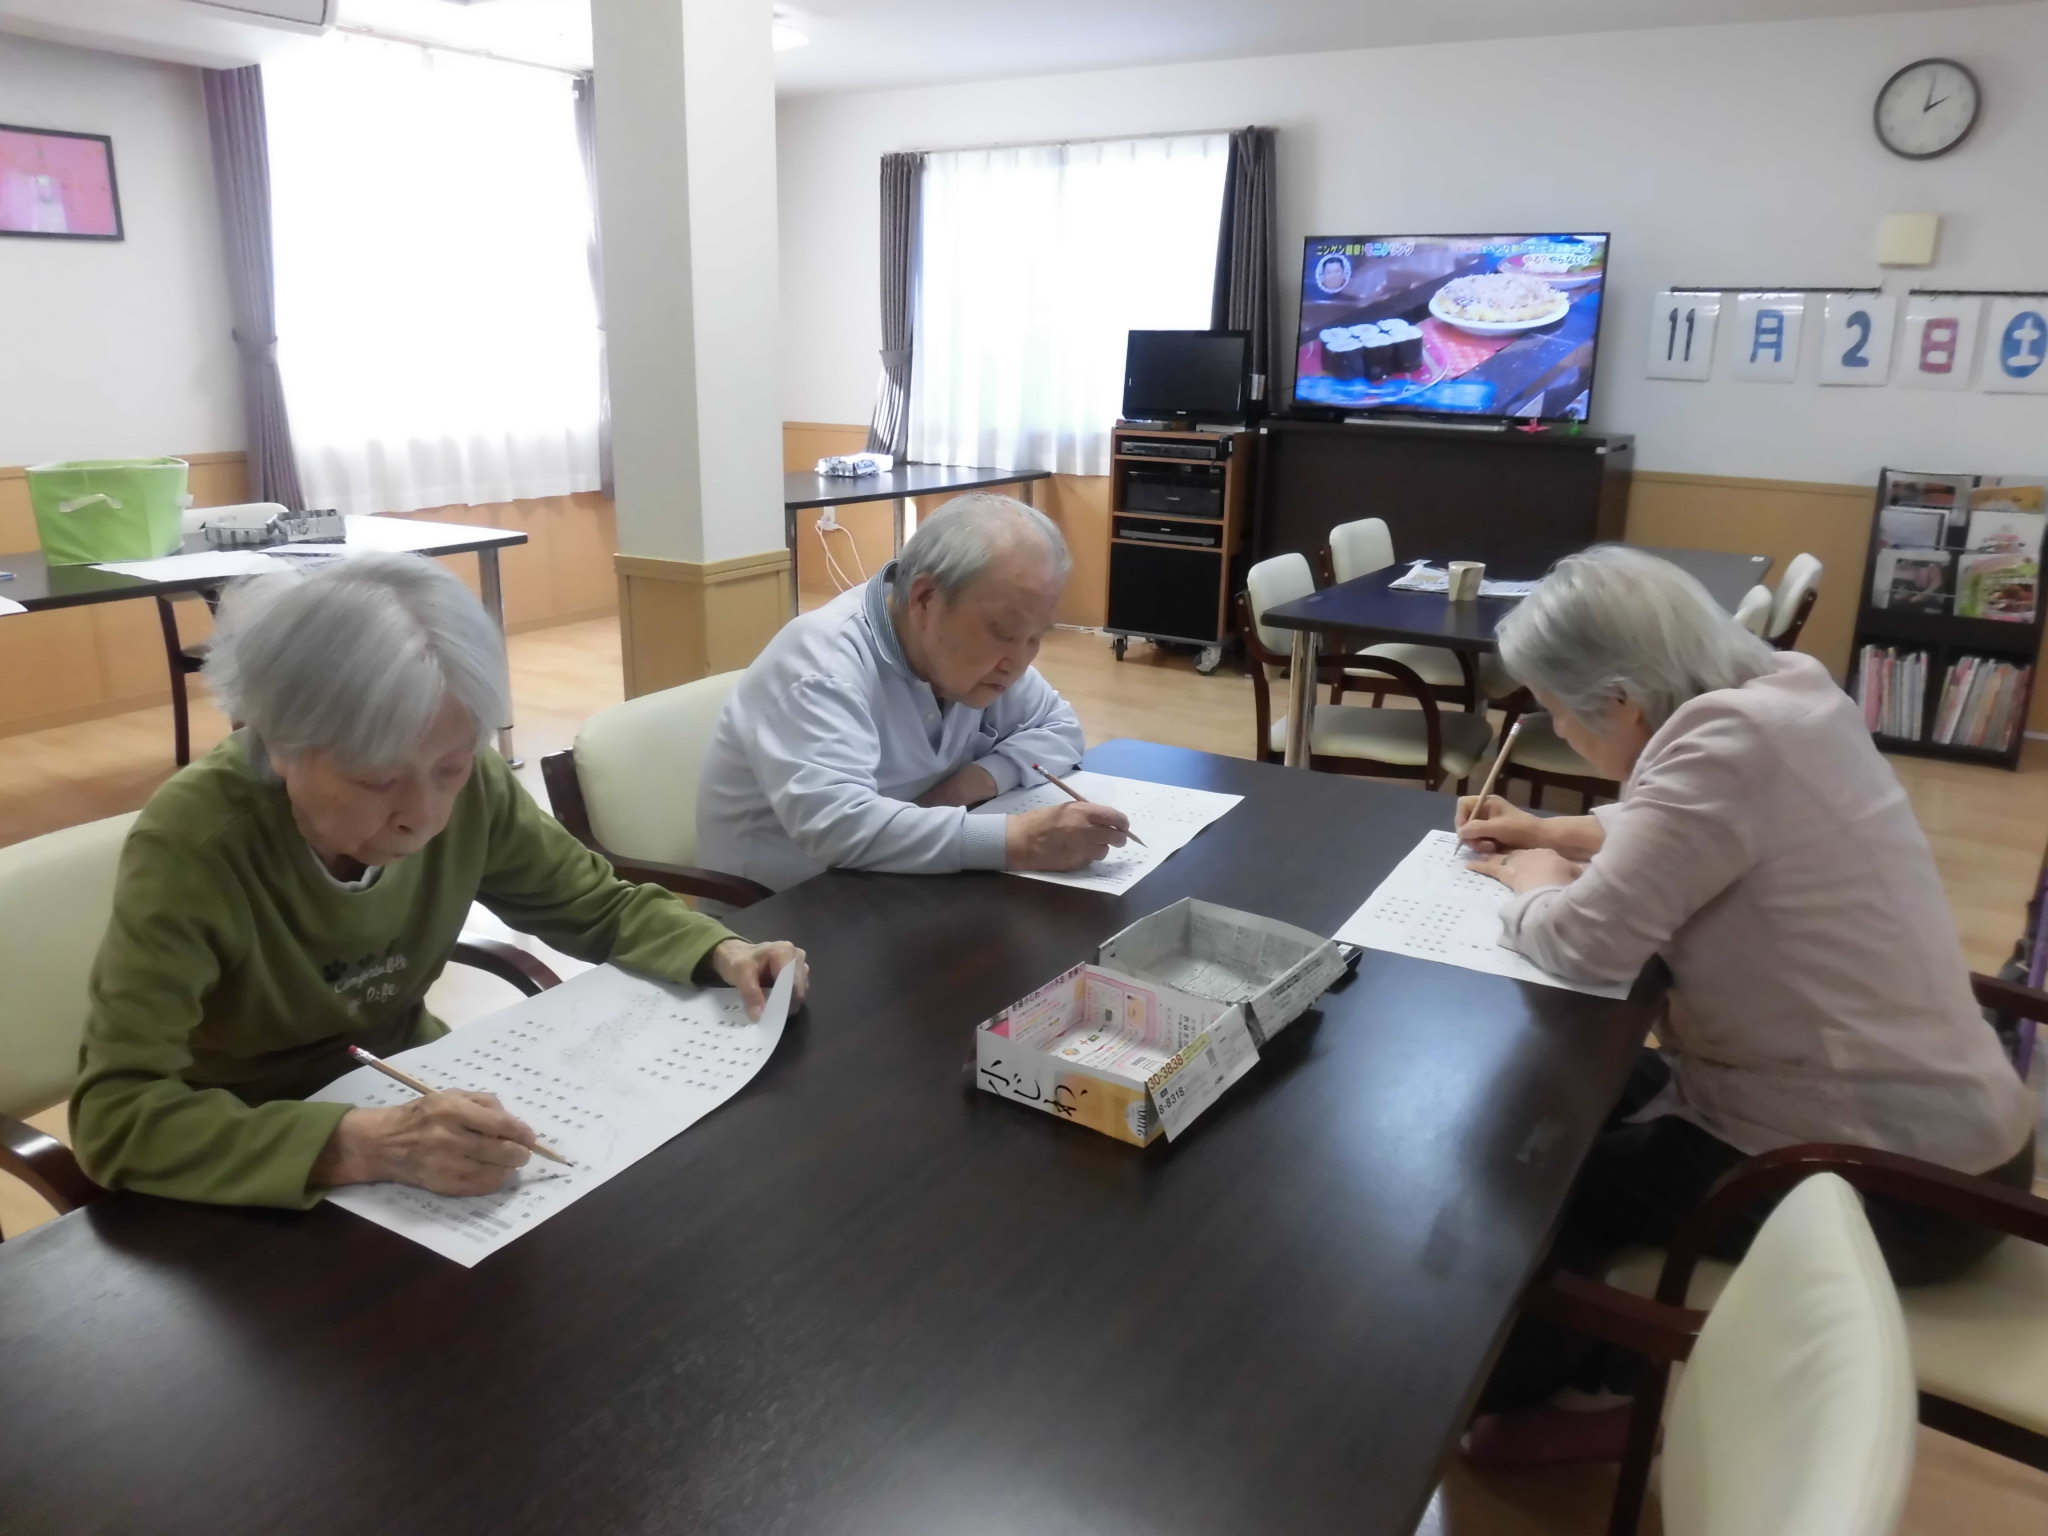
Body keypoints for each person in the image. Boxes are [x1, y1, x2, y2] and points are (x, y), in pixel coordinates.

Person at [1453, 545, 2035, 1466]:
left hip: (1893, 1184)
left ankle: (1576, 1398)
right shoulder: (1786, 693)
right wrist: (1553, 829)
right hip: (1959, 1139)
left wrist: (1532, 879)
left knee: (1548, 1174)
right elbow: (1682, 825)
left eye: (1557, 712)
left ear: (1621, 702)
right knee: (1567, 1101)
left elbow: (1585, 940)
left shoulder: (1721, 748)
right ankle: (1606, 1371)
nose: (1558, 731)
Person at [71, 553, 808, 1210]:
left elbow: (593, 905)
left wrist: (722, 952)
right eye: (377, 779)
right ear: (277, 740)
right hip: (248, 1154)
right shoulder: (195, 845)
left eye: (450, 769)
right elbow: (116, 1117)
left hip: (412, 1083)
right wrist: (362, 1145)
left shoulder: (472, 785)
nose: (421, 817)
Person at [697, 492, 1122, 891]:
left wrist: (973, 783)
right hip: (782, 914)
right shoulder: (822, 664)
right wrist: (1020, 839)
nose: (1019, 661)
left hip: (896, 885)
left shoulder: (978, 658)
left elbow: (1060, 727)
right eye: (1006, 632)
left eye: (1035, 637)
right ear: (925, 599)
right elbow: (839, 828)